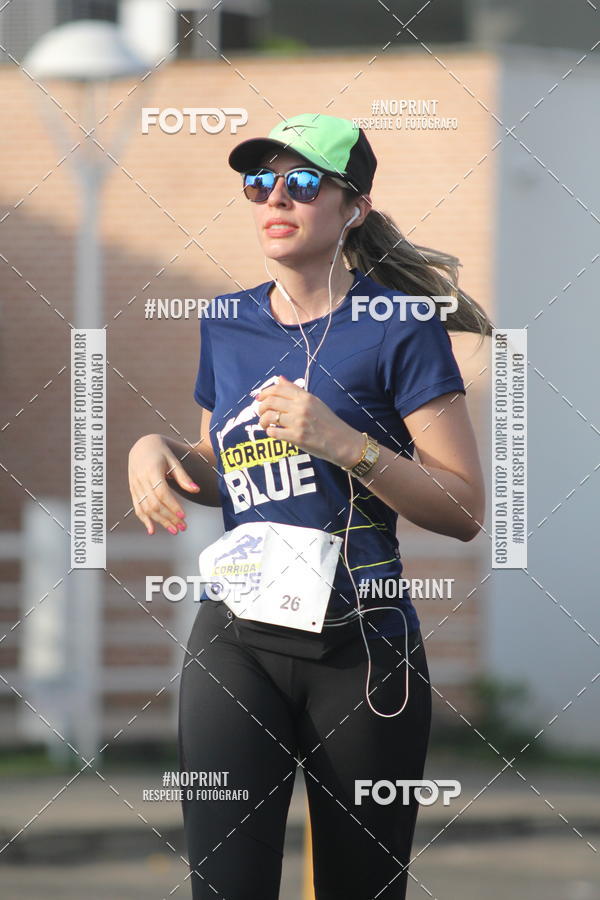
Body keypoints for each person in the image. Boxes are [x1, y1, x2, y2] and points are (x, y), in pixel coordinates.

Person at [128, 113, 490, 899]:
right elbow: (225, 468)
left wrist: (340, 440)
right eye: (261, 182)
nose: (275, 198)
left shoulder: (400, 327)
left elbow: (463, 508)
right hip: (237, 639)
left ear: (353, 208)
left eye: (302, 182)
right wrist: (155, 451)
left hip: (361, 648)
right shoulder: (226, 322)